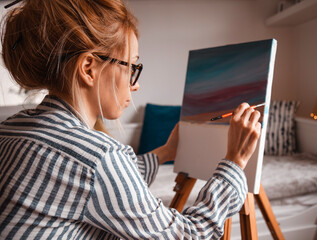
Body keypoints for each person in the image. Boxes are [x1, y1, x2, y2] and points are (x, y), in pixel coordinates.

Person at [0, 0, 261, 239]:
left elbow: (107, 187)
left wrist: (165, 151)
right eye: (131, 67)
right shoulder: (100, 157)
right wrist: (235, 163)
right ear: (89, 68)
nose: (134, 86)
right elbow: (187, 236)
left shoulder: (11, 128)